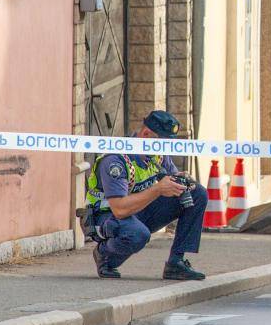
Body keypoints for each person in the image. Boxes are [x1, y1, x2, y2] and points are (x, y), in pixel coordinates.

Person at [85, 110, 208, 280]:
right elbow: (119, 209)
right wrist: (158, 189)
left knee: (197, 193)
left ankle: (176, 263)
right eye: (162, 142)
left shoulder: (157, 154)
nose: (165, 148)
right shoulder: (116, 160)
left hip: (138, 211)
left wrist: (181, 181)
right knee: (137, 233)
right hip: (108, 216)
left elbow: (168, 180)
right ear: (146, 134)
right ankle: (105, 255)